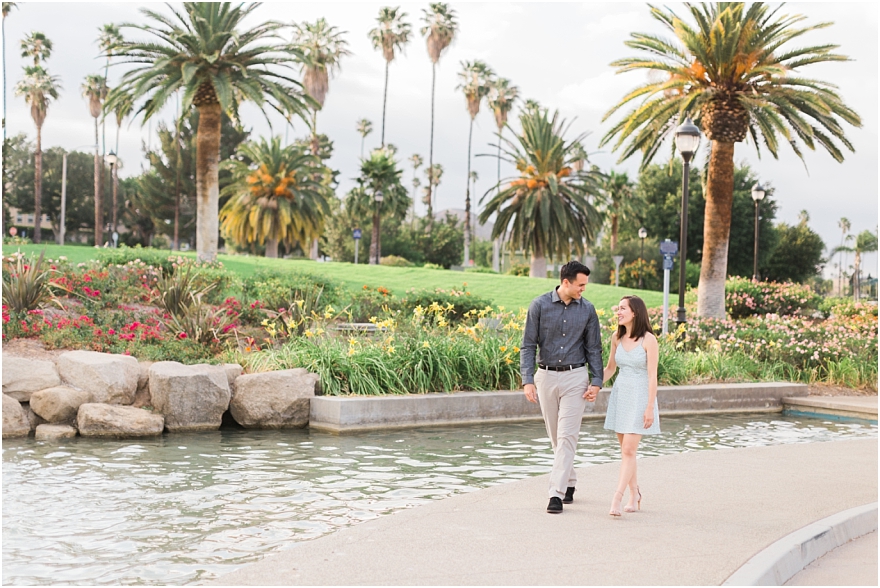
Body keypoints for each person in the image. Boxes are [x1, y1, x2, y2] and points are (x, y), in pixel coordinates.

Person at [520, 260, 604, 514]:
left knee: (567, 436)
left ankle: (555, 494)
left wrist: (597, 381)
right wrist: (527, 380)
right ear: (565, 282)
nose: (583, 289)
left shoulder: (588, 310)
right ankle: (569, 482)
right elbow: (528, 346)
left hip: (575, 377)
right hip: (545, 377)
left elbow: (594, 348)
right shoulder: (539, 305)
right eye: (580, 285)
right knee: (557, 436)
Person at [602, 295, 660, 517]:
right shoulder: (616, 337)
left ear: (635, 312)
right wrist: (595, 385)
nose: (618, 312)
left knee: (629, 449)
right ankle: (635, 493)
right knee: (627, 452)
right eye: (618, 308)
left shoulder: (649, 340)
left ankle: (617, 497)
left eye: (623, 308)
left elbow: (653, 376)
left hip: (640, 397)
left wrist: (649, 407)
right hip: (620, 396)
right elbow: (610, 368)